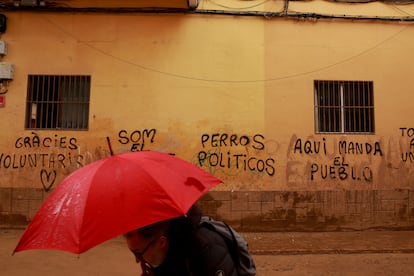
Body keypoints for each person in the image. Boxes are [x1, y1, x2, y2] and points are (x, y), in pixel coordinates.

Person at [124, 205, 238, 276]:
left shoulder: (207, 248)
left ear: (161, 242)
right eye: (133, 252)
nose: (137, 260)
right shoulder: (162, 254)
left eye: (138, 252)